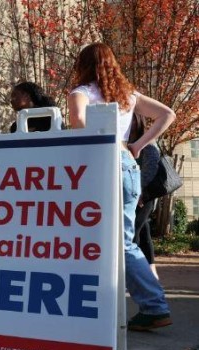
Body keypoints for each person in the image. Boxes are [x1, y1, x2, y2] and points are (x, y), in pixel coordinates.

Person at [68, 43, 174, 331]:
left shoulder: (82, 93)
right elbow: (168, 114)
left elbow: (77, 122)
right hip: (128, 166)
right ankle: (140, 304)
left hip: (100, 167)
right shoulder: (128, 95)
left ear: (84, 65)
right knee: (119, 240)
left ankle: (153, 306)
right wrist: (137, 145)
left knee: (111, 241)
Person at [129, 114, 161, 279]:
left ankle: (135, 274)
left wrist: (138, 190)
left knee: (132, 232)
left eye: (133, 118)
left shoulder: (146, 139)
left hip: (143, 196)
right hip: (133, 194)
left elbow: (151, 167)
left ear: (139, 120)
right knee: (144, 232)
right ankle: (152, 273)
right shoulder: (124, 139)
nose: (129, 121)